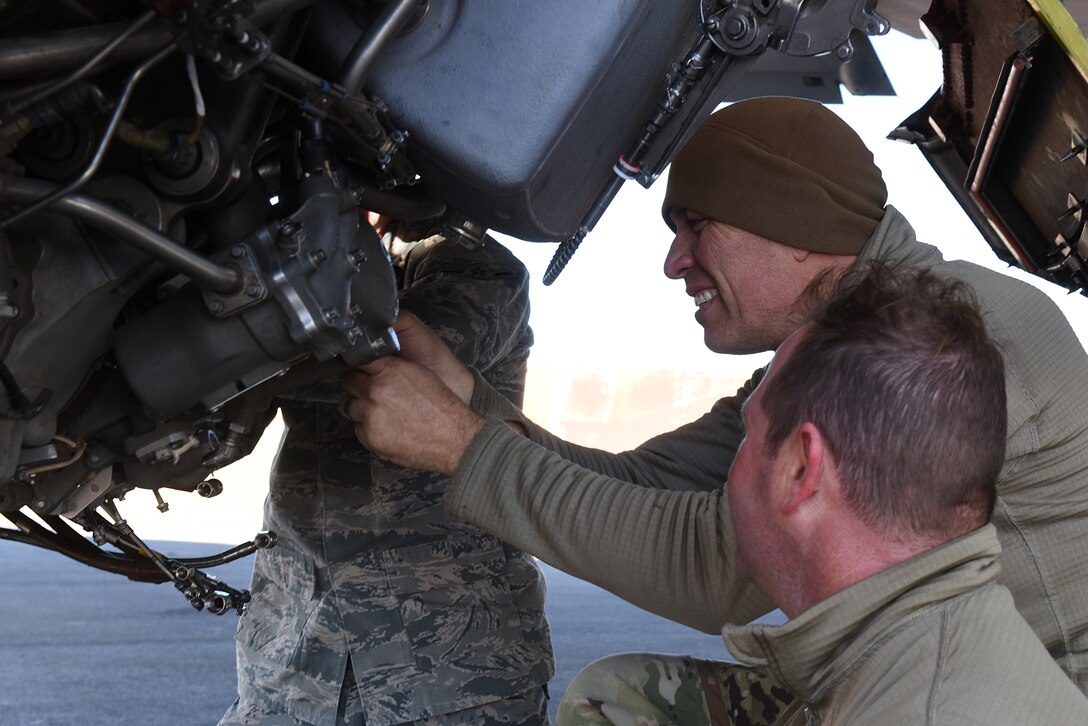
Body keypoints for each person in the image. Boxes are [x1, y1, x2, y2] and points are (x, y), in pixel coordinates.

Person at [341, 97, 1088, 715]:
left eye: (697, 225)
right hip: (915, 670)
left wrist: (462, 449)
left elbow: (707, 568)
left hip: (1015, 699)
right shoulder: (852, 339)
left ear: (792, 226)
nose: (674, 262)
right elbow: (645, 484)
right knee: (622, 701)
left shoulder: (944, 347)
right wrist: (468, 404)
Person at [219, 215, 553, 726]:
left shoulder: (474, 266)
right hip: (294, 664)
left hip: (448, 673)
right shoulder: (315, 268)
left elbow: (384, 361)